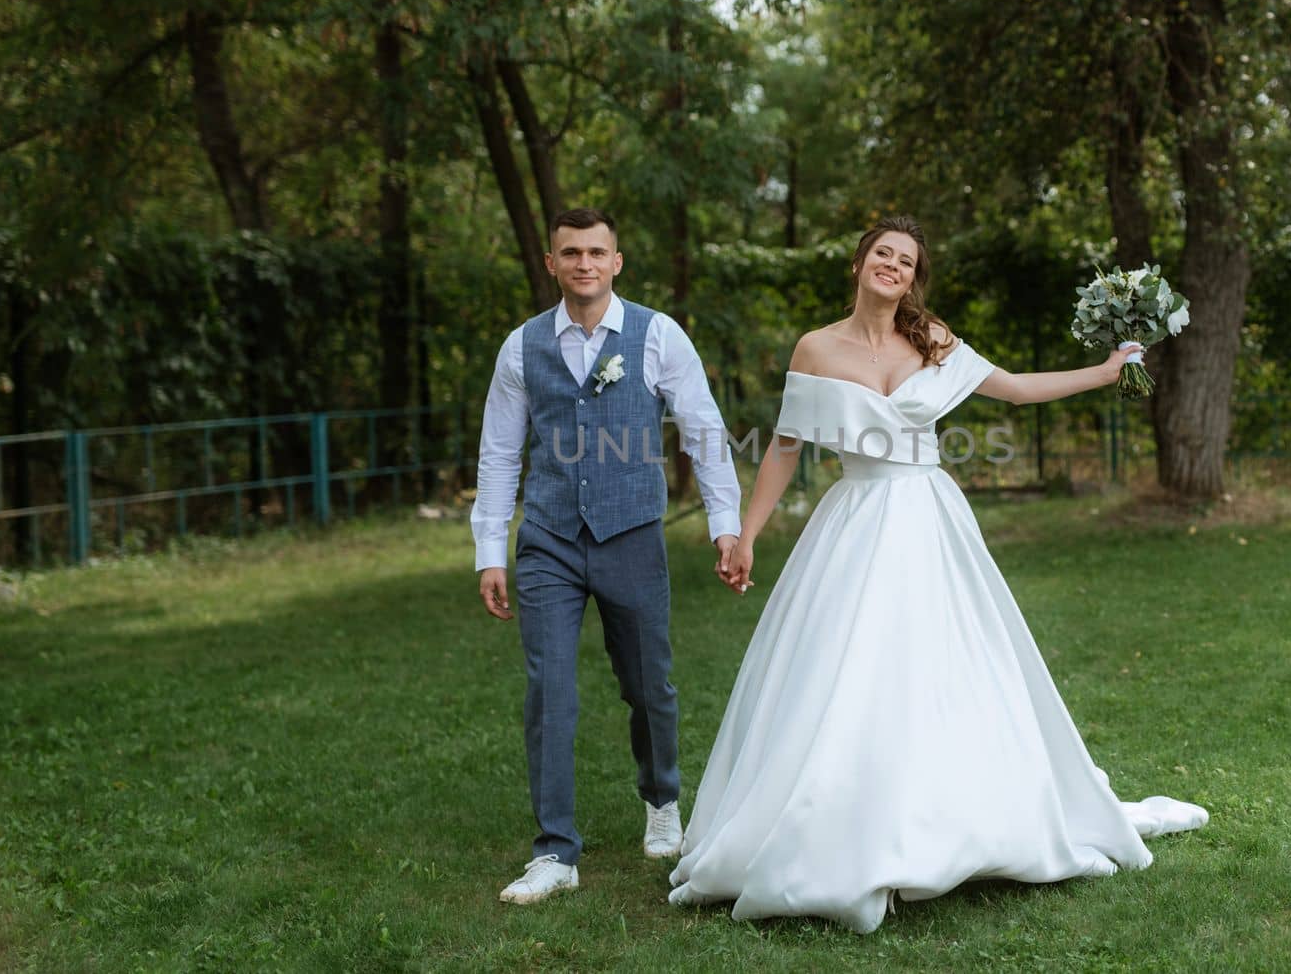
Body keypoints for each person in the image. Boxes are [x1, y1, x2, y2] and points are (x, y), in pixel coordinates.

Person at [667, 215, 1207, 933]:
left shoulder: (934, 338)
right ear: (860, 263)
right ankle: (844, 826)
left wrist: (1105, 373)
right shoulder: (816, 348)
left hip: (927, 516)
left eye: (905, 260)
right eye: (881, 253)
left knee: (942, 664)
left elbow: (1012, 388)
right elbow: (785, 449)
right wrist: (747, 536)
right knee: (848, 669)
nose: (891, 265)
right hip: (855, 519)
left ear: (914, 279)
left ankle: (948, 820)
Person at [471, 207, 742, 905]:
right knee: (549, 692)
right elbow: (500, 452)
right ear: (552, 263)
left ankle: (661, 798)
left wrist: (726, 523)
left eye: (597, 251)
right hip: (550, 541)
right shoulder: (521, 346)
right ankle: (556, 852)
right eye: (571, 253)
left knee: (648, 685)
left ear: (617, 262)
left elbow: (704, 430)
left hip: (631, 535)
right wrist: (489, 550)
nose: (584, 263)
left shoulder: (656, 335)